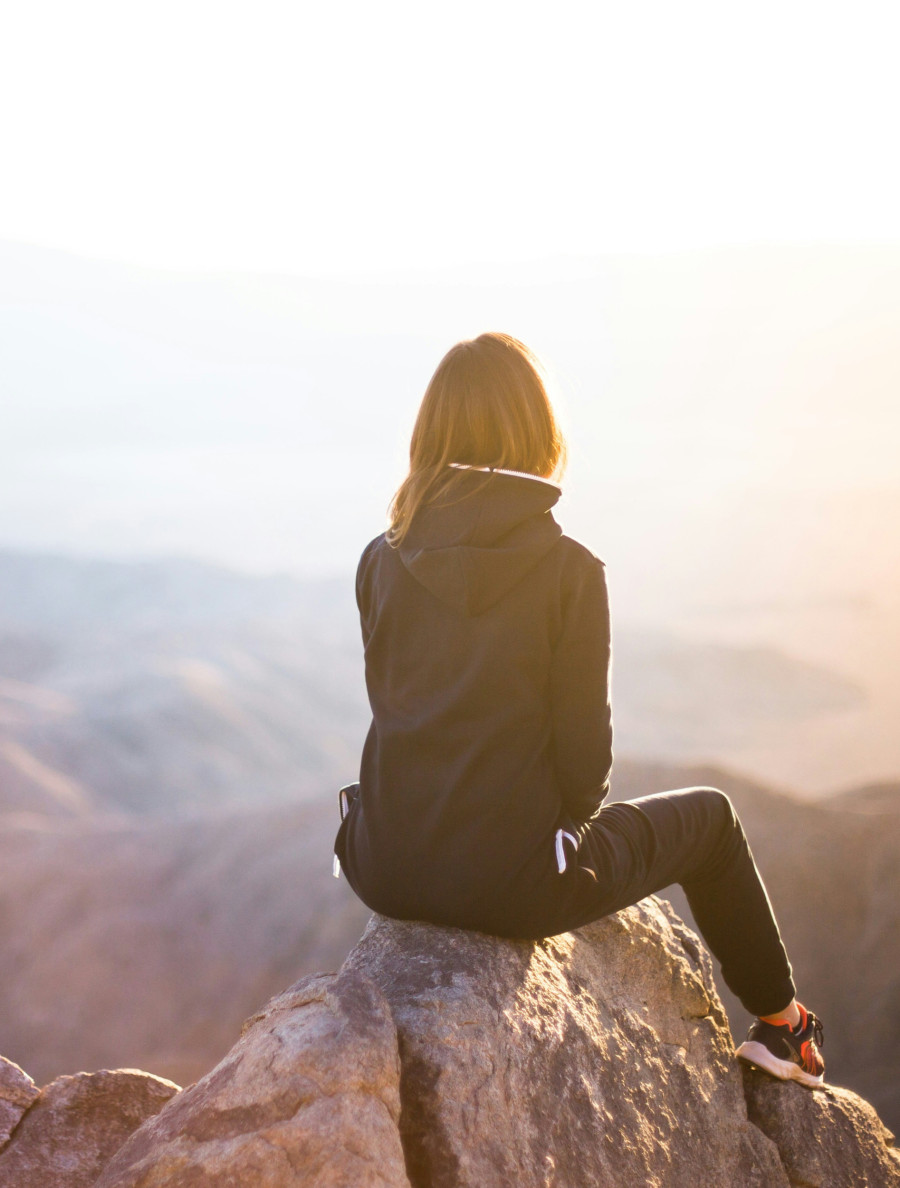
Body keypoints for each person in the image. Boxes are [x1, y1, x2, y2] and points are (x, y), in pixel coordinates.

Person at [334, 331, 825, 1088]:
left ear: (430, 433)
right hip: (514, 886)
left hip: (382, 865)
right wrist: (546, 838)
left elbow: (399, 710)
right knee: (714, 820)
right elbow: (586, 773)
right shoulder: (569, 572)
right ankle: (784, 1027)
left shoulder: (380, 556)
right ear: (538, 431)